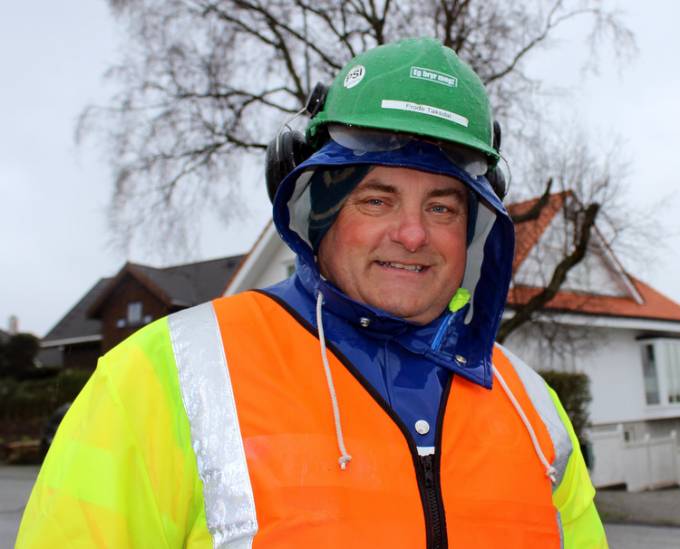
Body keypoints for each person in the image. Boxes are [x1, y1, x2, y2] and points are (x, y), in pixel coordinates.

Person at [17, 37, 607, 548]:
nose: (412, 233)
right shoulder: (159, 378)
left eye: (442, 206)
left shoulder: (535, 410)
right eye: (376, 199)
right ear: (318, 213)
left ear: (475, 232)